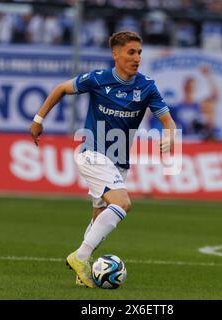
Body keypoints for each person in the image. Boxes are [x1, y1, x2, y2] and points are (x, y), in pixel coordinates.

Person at [30, 31, 176, 288]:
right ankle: (80, 256)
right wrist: (38, 119)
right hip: (92, 154)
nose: (137, 58)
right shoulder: (98, 79)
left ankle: (80, 272)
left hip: (119, 162)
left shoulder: (147, 86)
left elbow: (167, 120)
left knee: (100, 216)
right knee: (123, 204)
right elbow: (61, 88)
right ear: (116, 54)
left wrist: (170, 136)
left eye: (139, 52)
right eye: (131, 52)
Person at [171, 66, 220, 142]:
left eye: (192, 88)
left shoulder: (199, 106)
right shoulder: (176, 107)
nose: (189, 90)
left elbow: (215, 96)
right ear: (184, 88)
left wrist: (208, 76)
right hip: (181, 141)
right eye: (188, 87)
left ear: (195, 89)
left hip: (196, 141)